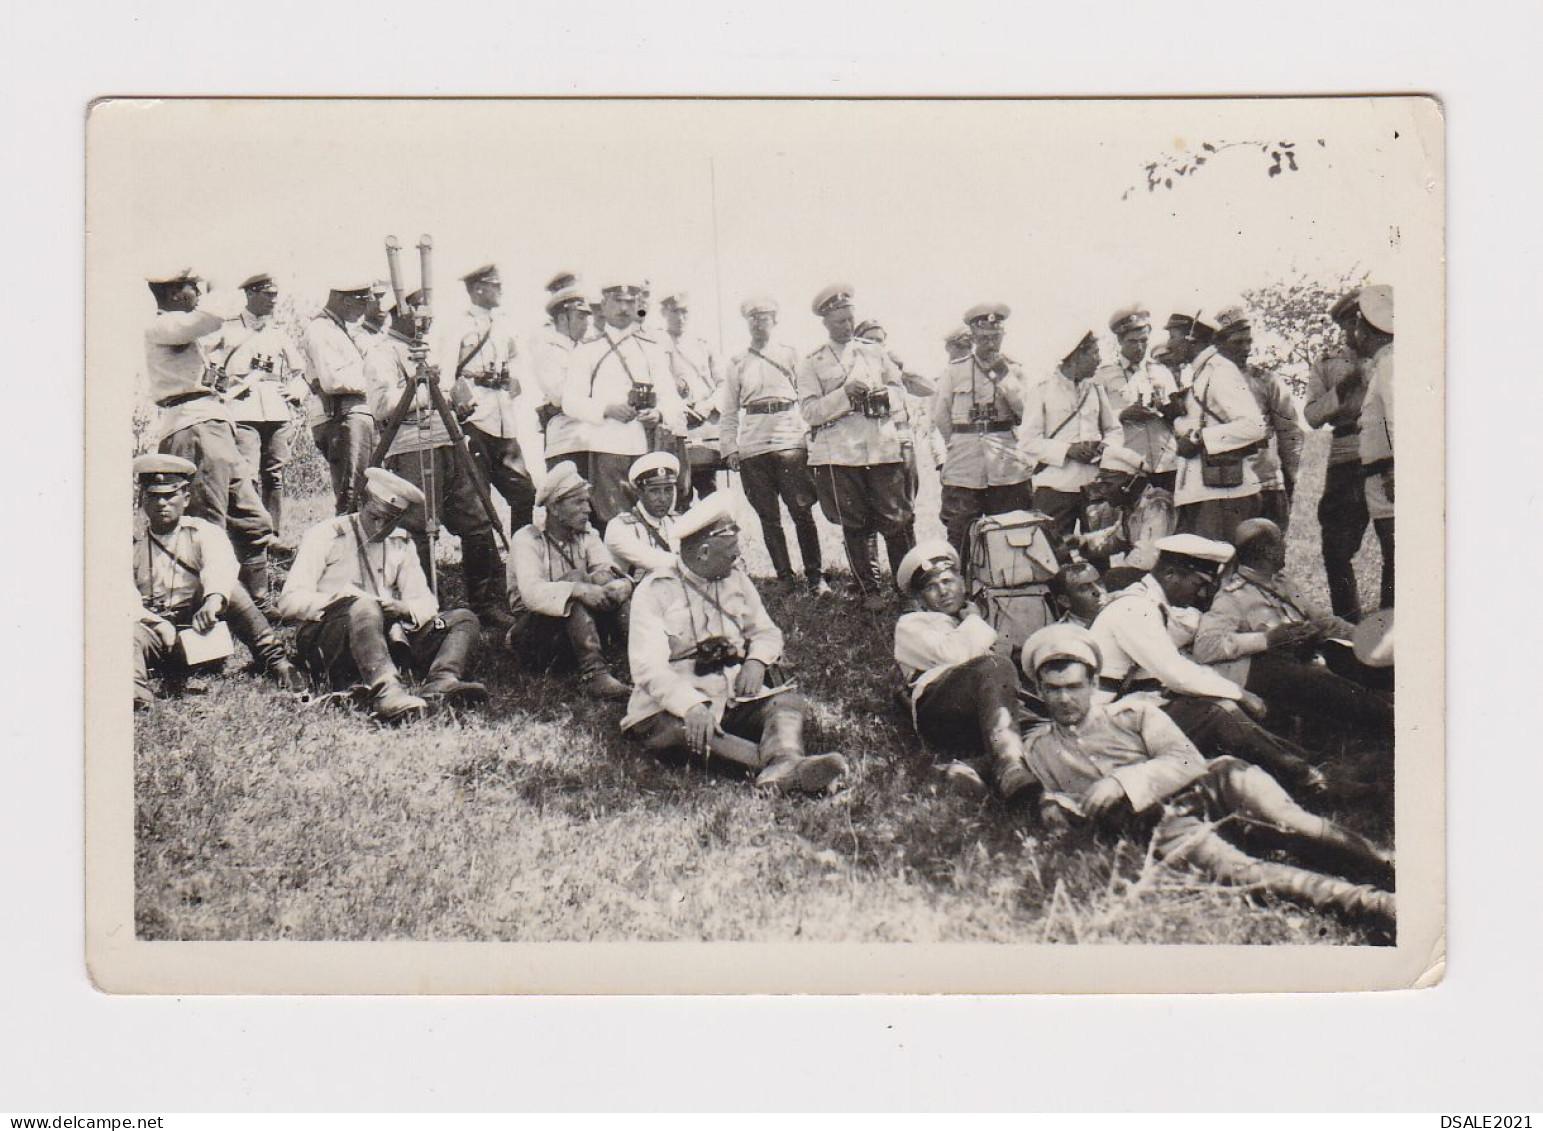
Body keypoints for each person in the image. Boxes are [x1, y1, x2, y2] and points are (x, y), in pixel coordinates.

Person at [1019, 624, 1394, 931]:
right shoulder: (1039, 749)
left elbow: (1186, 761)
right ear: (1039, 690)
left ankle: (1389, 868)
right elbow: (1057, 798)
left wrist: (1121, 781)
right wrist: (1053, 804)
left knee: (1296, 825)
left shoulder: (1135, 714)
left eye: (1074, 687)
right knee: (1242, 873)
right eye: (1054, 690)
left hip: (1216, 783)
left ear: (1093, 683)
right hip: (1160, 823)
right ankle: (1377, 906)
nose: (1065, 698)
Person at [622, 495, 850, 793]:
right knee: (678, 732)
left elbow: (766, 632)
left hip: (732, 697)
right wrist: (691, 705)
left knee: (786, 704)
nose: (738, 558)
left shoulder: (736, 580)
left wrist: (756, 661)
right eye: (731, 553)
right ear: (703, 552)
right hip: (674, 704)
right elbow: (648, 668)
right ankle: (786, 768)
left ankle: (782, 765)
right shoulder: (655, 591)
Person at [1089, 534, 1328, 794]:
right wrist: (1240, 693)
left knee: (1216, 706)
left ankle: (1299, 763)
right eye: (1197, 583)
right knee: (1218, 711)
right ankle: (1304, 776)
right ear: (1171, 575)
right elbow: (1176, 673)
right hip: (1109, 725)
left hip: (1133, 711)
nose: (1201, 593)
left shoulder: (1150, 603)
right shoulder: (1135, 609)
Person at [277, 467, 487, 721]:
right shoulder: (326, 535)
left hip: (386, 635)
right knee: (364, 607)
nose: (380, 526)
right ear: (361, 503)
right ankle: (387, 693)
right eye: (375, 516)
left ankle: (441, 682)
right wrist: (340, 601)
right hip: (331, 637)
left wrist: (402, 609)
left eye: (390, 521)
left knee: (463, 618)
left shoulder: (399, 542)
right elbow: (288, 601)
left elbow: (424, 600)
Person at [365, 290, 510, 628]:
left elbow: (439, 393)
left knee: (476, 520)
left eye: (427, 308)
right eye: (416, 308)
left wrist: (456, 398)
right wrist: (425, 388)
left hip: (449, 441)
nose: (425, 316)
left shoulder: (428, 350)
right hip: (411, 447)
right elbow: (383, 405)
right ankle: (423, 606)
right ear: (397, 311)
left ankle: (485, 601)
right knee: (418, 527)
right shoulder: (382, 353)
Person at [143, 267, 277, 605]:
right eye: (194, 288)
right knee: (208, 528)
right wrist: (219, 286)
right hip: (194, 427)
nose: (199, 294)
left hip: (212, 423)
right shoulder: (163, 324)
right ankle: (209, 612)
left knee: (252, 518)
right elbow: (211, 317)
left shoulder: (178, 328)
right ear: (176, 294)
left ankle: (256, 601)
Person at [1193, 519, 1392, 736]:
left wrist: (1361, 638)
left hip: (1314, 658)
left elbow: (1321, 620)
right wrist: (1268, 639)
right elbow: (1205, 647)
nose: (1286, 547)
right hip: (1284, 673)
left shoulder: (1281, 583)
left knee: (1371, 666)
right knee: (1338, 690)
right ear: (1267, 551)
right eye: (1281, 542)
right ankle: (1391, 719)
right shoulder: (1232, 598)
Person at [133, 454, 302, 709]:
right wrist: (156, 624)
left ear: (186, 499)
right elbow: (122, 597)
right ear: (141, 500)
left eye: (170, 495)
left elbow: (220, 565)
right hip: (156, 636)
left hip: (199, 631)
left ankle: (275, 660)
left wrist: (213, 600)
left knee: (231, 589)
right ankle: (136, 692)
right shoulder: (131, 547)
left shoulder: (202, 533)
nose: (162, 503)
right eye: (153, 496)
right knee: (126, 632)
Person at [796, 283, 916, 609]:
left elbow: (900, 392)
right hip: (841, 453)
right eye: (839, 322)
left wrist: (883, 397)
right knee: (856, 524)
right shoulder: (812, 363)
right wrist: (845, 394)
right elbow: (808, 411)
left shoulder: (874, 351)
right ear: (825, 322)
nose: (847, 327)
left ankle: (907, 591)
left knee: (896, 521)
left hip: (881, 448)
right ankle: (870, 590)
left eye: (850, 319)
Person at [892, 541, 1038, 801]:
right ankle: (1010, 766)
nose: (943, 591)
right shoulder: (912, 624)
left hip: (984, 717)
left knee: (1042, 731)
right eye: (931, 587)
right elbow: (957, 655)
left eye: (948, 581)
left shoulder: (972, 622)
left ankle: (969, 769)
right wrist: (973, 620)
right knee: (995, 665)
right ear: (919, 599)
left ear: (962, 583)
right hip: (941, 712)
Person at [719, 296, 829, 595]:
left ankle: (816, 577)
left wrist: (810, 437)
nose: (758, 323)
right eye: (753, 318)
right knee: (768, 516)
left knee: (802, 511)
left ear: (775, 320)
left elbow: (807, 398)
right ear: (746, 322)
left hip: (788, 439)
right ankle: (784, 577)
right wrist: (729, 447)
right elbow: (728, 410)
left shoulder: (790, 355)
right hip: (754, 444)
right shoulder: (737, 363)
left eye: (764, 317)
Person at [561, 278, 688, 528]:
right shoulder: (587, 351)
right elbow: (571, 402)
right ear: (604, 305)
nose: (623, 308)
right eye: (617, 301)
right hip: (607, 446)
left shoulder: (651, 349)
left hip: (647, 446)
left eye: (630, 302)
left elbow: (671, 397)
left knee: (652, 518)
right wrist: (605, 409)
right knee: (613, 520)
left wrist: (659, 413)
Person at [505, 461, 633, 699]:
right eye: (579, 502)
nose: (588, 509)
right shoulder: (528, 539)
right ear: (554, 507)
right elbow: (532, 595)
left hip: (578, 634)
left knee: (604, 583)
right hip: (535, 638)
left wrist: (619, 586)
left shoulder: (588, 535)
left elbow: (607, 571)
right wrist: (578, 588)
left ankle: (641, 658)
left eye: (587, 501)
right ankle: (594, 674)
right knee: (575, 585)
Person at [205, 273, 309, 553]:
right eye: (268, 295)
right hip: (242, 410)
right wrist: (219, 382)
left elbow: (300, 372)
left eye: (275, 295)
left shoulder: (278, 332)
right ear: (251, 294)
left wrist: (297, 390)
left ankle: (272, 536)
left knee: (274, 474)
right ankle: (248, 536)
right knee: (247, 474)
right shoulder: (227, 328)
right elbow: (203, 358)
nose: (274, 301)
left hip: (276, 410)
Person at [437, 264, 541, 538]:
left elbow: (516, 358)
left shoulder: (503, 324)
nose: (500, 289)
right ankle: (487, 570)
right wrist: (458, 402)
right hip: (475, 420)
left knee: (524, 494)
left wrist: (515, 379)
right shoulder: (458, 326)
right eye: (495, 284)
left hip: (504, 421)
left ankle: (520, 557)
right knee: (478, 504)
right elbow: (446, 375)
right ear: (477, 288)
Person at [932, 303, 1032, 568]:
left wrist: (1003, 376)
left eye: (995, 337)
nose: (990, 343)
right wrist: (956, 443)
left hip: (1006, 463)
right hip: (965, 463)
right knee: (961, 531)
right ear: (973, 338)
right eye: (984, 338)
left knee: (1011, 530)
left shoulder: (1015, 370)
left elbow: (1027, 413)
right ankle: (960, 588)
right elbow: (941, 415)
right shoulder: (955, 371)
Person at [1162, 308, 1268, 541]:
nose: (1168, 345)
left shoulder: (1220, 371)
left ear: (1191, 338)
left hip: (1224, 498)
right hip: (1204, 493)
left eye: (1173, 336)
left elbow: (1254, 426)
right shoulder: (1201, 374)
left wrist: (1199, 439)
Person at [1019, 320, 1122, 541]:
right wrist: (1067, 450)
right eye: (1094, 353)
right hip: (1055, 487)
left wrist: (1106, 448)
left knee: (1097, 552)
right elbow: (1027, 441)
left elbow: (1114, 430)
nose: (1099, 359)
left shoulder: (1095, 389)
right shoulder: (1042, 390)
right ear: (1076, 355)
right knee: (1051, 555)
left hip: (1093, 487)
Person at [1303, 288, 1372, 620]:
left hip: (1392, 453)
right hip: (1347, 456)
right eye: (1350, 323)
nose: (1357, 330)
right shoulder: (1328, 362)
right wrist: (1345, 387)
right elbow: (1313, 415)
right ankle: (1349, 623)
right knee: (1336, 549)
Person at [1213, 304, 1303, 532]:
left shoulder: (1265, 380)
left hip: (1266, 485)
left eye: (1248, 341)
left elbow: (1290, 432)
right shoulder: (1208, 382)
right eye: (1237, 343)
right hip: (1225, 487)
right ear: (1218, 345)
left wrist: (1291, 476)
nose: (1246, 348)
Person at [301, 276, 377, 516]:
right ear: (345, 301)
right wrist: (376, 385)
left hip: (351, 415)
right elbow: (333, 381)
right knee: (353, 492)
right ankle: (349, 547)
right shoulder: (321, 330)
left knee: (362, 488)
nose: (366, 310)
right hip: (342, 416)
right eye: (363, 303)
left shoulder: (337, 329)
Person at [1093, 305, 1187, 494]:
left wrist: (1169, 410)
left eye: (1144, 341)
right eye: (1132, 341)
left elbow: (1178, 418)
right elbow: (1093, 422)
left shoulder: (1162, 371)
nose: (1139, 347)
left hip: (1166, 465)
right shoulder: (1103, 375)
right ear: (1119, 340)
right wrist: (1123, 415)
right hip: (1128, 467)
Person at [659, 292, 724, 503]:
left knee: (709, 493)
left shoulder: (703, 345)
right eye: (674, 311)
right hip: (676, 428)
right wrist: (680, 409)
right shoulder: (657, 345)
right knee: (679, 493)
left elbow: (724, 384)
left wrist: (706, 407)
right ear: (663, 313)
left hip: (704, 429)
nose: (680, 317)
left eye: (684, 312)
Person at [1354, 285, 1396, 611]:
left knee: (1396, 563)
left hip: (1389, 480)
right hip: (1383, 478)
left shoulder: (1389, 365)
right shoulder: (1386, 364)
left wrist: (1399, 471)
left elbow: (1399, 421)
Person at [1068, 445, 1174, 572]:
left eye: (1108, 485)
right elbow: (1116, 539)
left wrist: (1116, 572)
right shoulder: (1130, 507)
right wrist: (1083, 541)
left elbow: (1145, 559)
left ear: (1130, 482)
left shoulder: (1158, 506)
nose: (1103, 491)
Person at [604, 451, 681, 579]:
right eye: (654, 491)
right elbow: (653, 561)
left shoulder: (677, 522)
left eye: (668, 490)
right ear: (639, 492)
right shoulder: (620, 527)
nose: (663, 498)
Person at [532, 285, 593, 442]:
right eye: (580, 318)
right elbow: (560, 397)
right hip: (563, 433)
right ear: (562, 319)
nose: (586, 324)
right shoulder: (548, 351)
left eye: (587, 318)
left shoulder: (584, 349)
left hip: (589, 433)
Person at [1047, 558, 1106, 628]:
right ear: (1065, 601)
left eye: (1099, 583)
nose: (1098, 591)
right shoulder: (1064, 633)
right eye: (1085, 588)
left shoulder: (1115, 613)